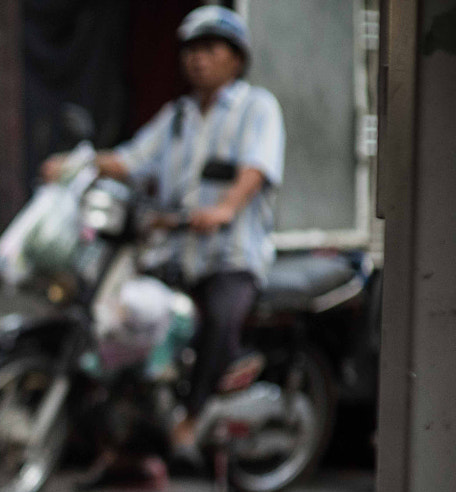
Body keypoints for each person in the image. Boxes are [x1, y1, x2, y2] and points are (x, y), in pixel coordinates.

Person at [42, 6, 284, 463]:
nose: (198, 59)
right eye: (191, 50)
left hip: (231, 255)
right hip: (174, 253)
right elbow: (132, 160)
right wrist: (77, 163)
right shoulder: (177, 116)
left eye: (210, 49)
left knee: (218, 317)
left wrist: (225, 208)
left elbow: (258, 167)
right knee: (132, 316)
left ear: (236, 58)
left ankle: (192, 421)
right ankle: (133, 437)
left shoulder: (257, 108)